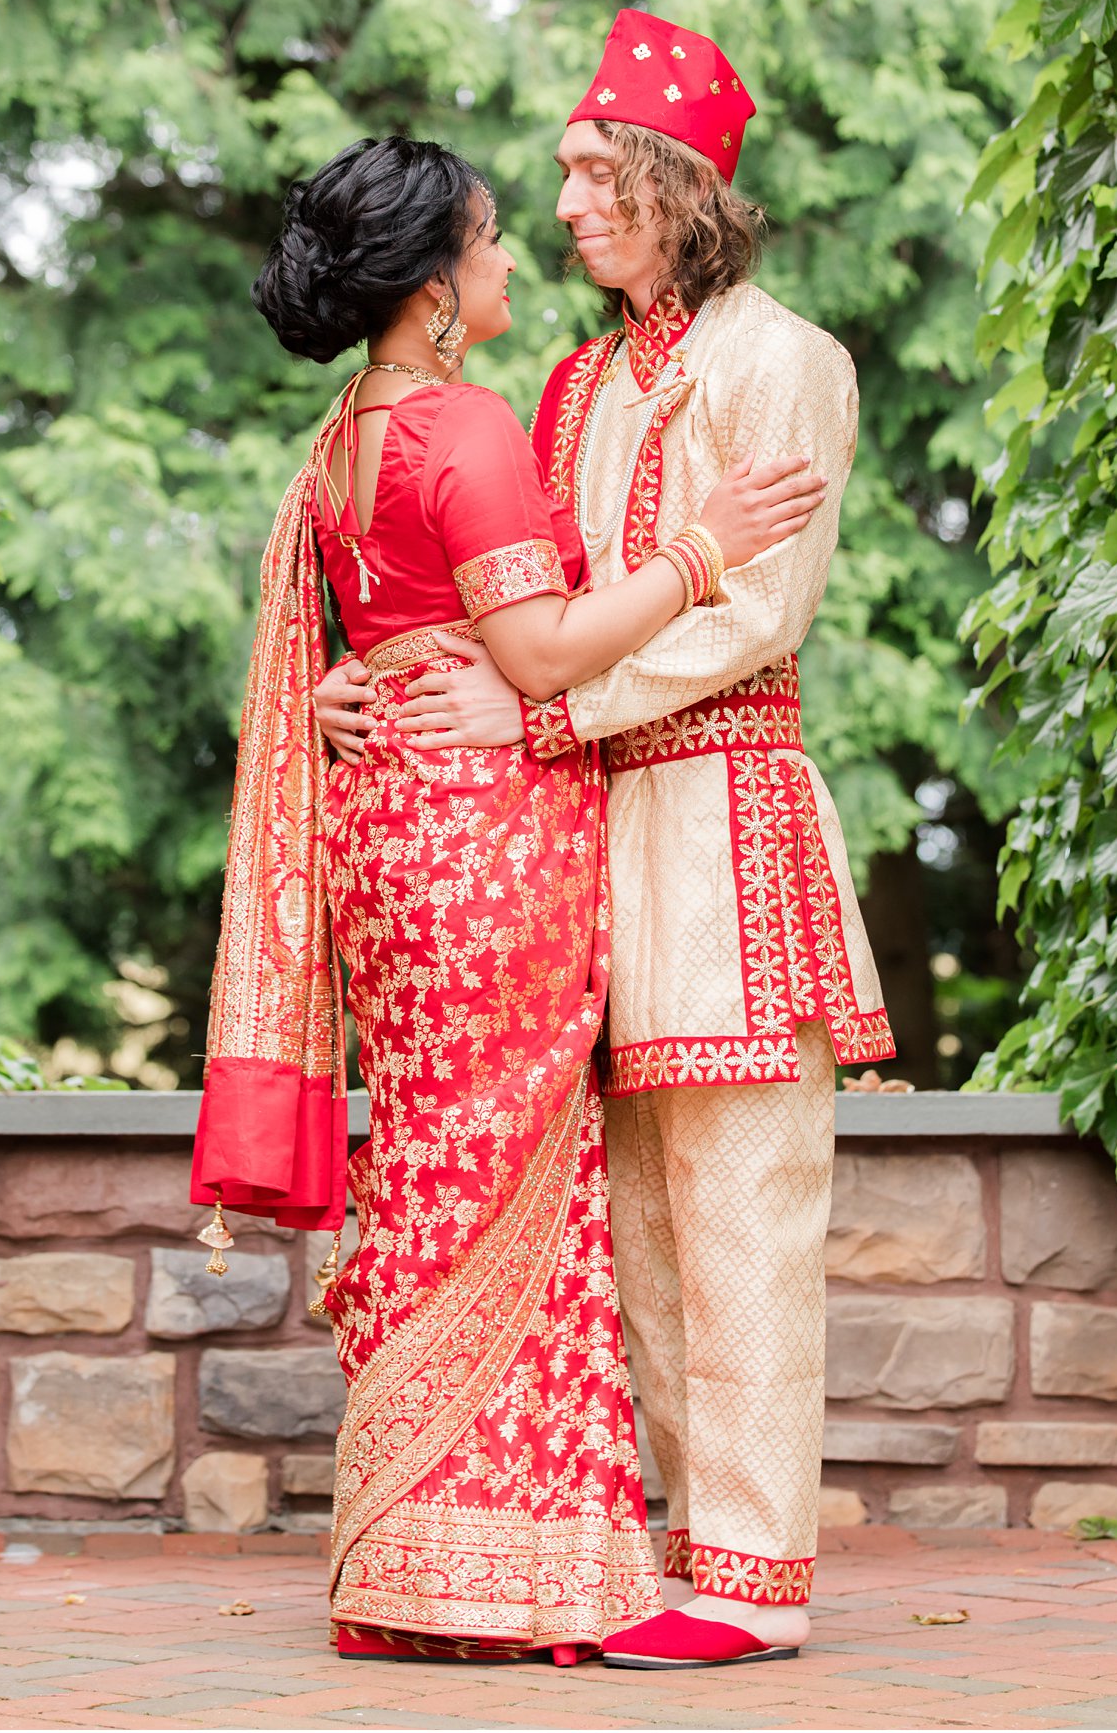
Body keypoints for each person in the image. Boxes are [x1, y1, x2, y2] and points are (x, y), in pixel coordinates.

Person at [316, 14, 896, 1670]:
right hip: (577, 840)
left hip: (721, 816)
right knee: (631, 1214)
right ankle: (659, 1556)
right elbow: (512, 602)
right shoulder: (572, 381)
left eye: (591, 173)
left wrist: (546, 715)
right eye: (559, 178)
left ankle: (754, 1583)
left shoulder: (788, 360)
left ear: (672, 179)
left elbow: (756, 617)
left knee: (742, 1199)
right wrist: (369, 678)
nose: (567, 203)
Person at [191, 134, 816, 1664]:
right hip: (488, 846)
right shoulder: (466, 423)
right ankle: (516, 1571)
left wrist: (363, 684)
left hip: (386, 849)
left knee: (427, 1174)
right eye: (486, 241)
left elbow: (388, 628)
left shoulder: (342, 432)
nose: (516, 256)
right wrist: (702, 547)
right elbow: (538, 656)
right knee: (516, 1186)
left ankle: (401, 1558)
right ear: (432, 288)